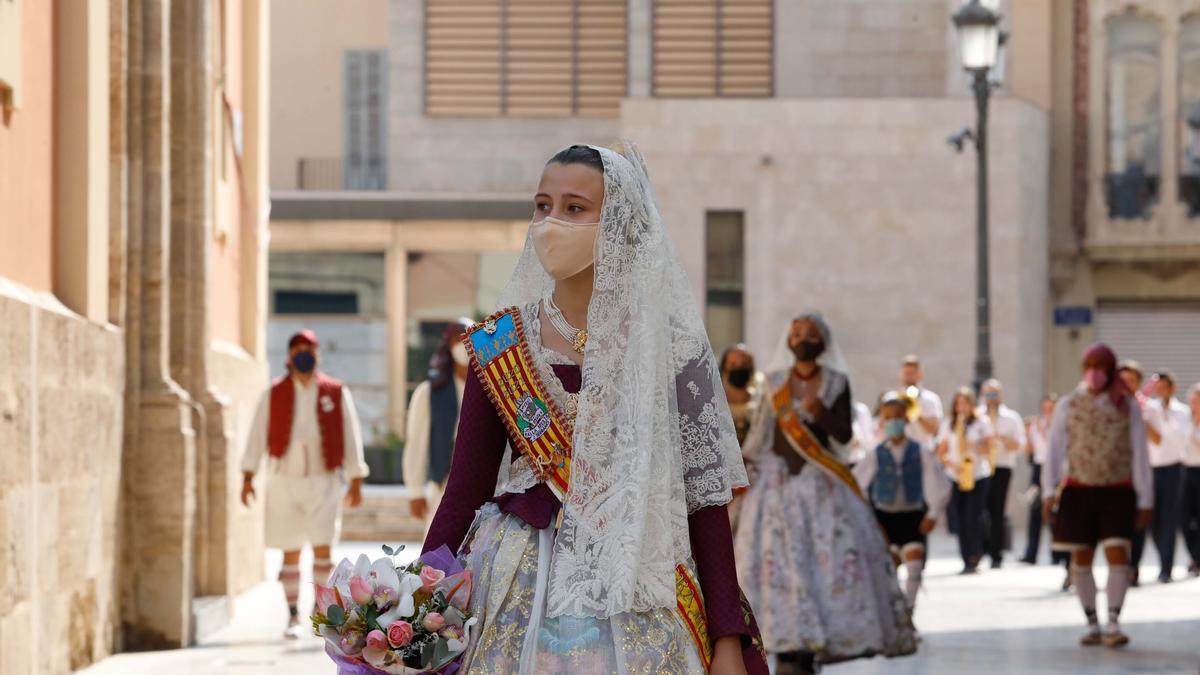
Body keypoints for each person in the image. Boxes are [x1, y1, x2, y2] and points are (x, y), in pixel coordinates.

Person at [421, 143, 767, 674]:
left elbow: (704, 501)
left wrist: (726, 638)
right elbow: (464, 491)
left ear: (619, 223)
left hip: (640, 585)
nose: (550, 222)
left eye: (575, 208)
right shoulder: (500, 343)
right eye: (542, 205)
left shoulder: (670, 350)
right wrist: (414, 609)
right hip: (517, 590)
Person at [736, 311, 916, 673]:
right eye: (796, 331)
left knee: (823, 563)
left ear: (821, 341)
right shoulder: (774, 384)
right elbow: (762, 438)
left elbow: (845, 437)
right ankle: (785, 646)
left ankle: (813, 646)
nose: (801, 337)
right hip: (778, 487)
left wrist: (820, 414)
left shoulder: (836, 382)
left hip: (822, 485)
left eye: (809, 332)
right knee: (780, 564)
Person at [240, 329, 369, 637]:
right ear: (288, 356)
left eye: (308, 350)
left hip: (323, 479)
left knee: (323, 548)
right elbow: (257, 434)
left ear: (317, 355)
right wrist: (247, 475)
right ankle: (293, 615)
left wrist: (355, 477)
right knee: (290, 549)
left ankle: (318, 612)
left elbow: (350, 432)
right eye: (297, 349)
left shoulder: (335, 391)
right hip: (283, 479)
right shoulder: (274, 393)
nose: (303, 354)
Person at [1042, 343, 1152, 648]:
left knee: (1118, 553)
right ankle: (1092, 623)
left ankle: (1113, 621)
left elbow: (1139, 452)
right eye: (1089, 366)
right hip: (1079, 489)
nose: (1094, 373)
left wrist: (1145, 499)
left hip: (1117, 489)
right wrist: (1049, 491)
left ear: (1110, 370)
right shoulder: (1068, 404)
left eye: (1100, 366)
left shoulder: (1126, 406)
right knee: (1081, 557)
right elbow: (1054, 449)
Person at [854, 392, 950, 611]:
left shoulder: (920, 451)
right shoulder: (875, 454)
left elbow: (938, 483)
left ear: (906, 419)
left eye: (898, 416)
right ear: (881, 422)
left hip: (912, 514)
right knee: (889, 565)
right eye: (888, 417)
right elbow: (857, 485)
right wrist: (870, 517)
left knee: (915, 562)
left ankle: (909, 609)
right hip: (884, 517)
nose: (893, 422)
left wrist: (933, 514)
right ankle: (892, 610)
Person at [404, 319, 473, 532]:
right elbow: (417, 443)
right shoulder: (430, 393)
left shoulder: (491, 389)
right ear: (448, 345)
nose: (462, 345)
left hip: (485, 492)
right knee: (436, 559)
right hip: (442, 487)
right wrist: (415, 491)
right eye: (456, 339)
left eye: (467, 339)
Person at [1134, 370, 1190, 583]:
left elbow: (1175, 439)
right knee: (1152, 522)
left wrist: (1161, 419)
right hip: (1150, 470)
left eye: (1164, 387)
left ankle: (1166, 567)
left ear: (1172, 388)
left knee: (1168, 520)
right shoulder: (1149, 408)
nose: (1160, 391)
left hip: (1173, 469)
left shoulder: (1182, 412)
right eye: (1158, 387)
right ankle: (1161, 559)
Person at [936, 387, 993, 574]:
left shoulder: (981, 423)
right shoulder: (948, 424)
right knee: (959, 519)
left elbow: (988, 449)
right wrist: (952, 466)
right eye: (958, 403)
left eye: (965, 403)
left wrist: (973, 444)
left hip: (976, 474)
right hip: (956, 475)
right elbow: (941, 452)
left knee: (973, 517)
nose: (962, 407)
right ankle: (965, 557)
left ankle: (975, 555)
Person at [1020, 395, 1073, 585]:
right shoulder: (1036, 425)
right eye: (1047, 407)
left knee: (1059, 518)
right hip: (1041, 470)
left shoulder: (1064, 426)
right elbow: (1030, 451)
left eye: (1053, 407)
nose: (1049, 410)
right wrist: (1028, 433)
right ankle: (1031, 552)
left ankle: (1059, 554)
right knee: (1036, 512)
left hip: (1064, 474)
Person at [978, 379, 1026, 569]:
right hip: (981, 466)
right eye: (988, 393)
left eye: (994, 393)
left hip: (1002, 466)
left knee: (997, 510)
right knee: (981, 510)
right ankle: (981, 549)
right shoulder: (978, 415)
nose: (991, 398)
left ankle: (997, 554)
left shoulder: (1011, 418)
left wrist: (1004, 439)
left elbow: (1021, 445)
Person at [720, 343, 759, 532]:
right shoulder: (715, 402)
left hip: (756, 482)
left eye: (743, 364)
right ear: (724, 369)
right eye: (733, 365)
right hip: (724, 481)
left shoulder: (761, 404)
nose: (738, 369)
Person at [899, 354, 943, 451]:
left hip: (924, 452)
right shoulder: (894, 398)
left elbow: (934, 430)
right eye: (906, 373)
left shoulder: (931, 399)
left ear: (920, 375)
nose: (908, 377)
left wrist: (916, 412)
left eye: (912, 373)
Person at [1182, 384, 1200, 578]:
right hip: (1185, 471)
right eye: (1192, 401)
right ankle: (1194, 556)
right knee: (1185, 519)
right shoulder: (1183, 418)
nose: (1194, 405)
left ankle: (1196, 559)